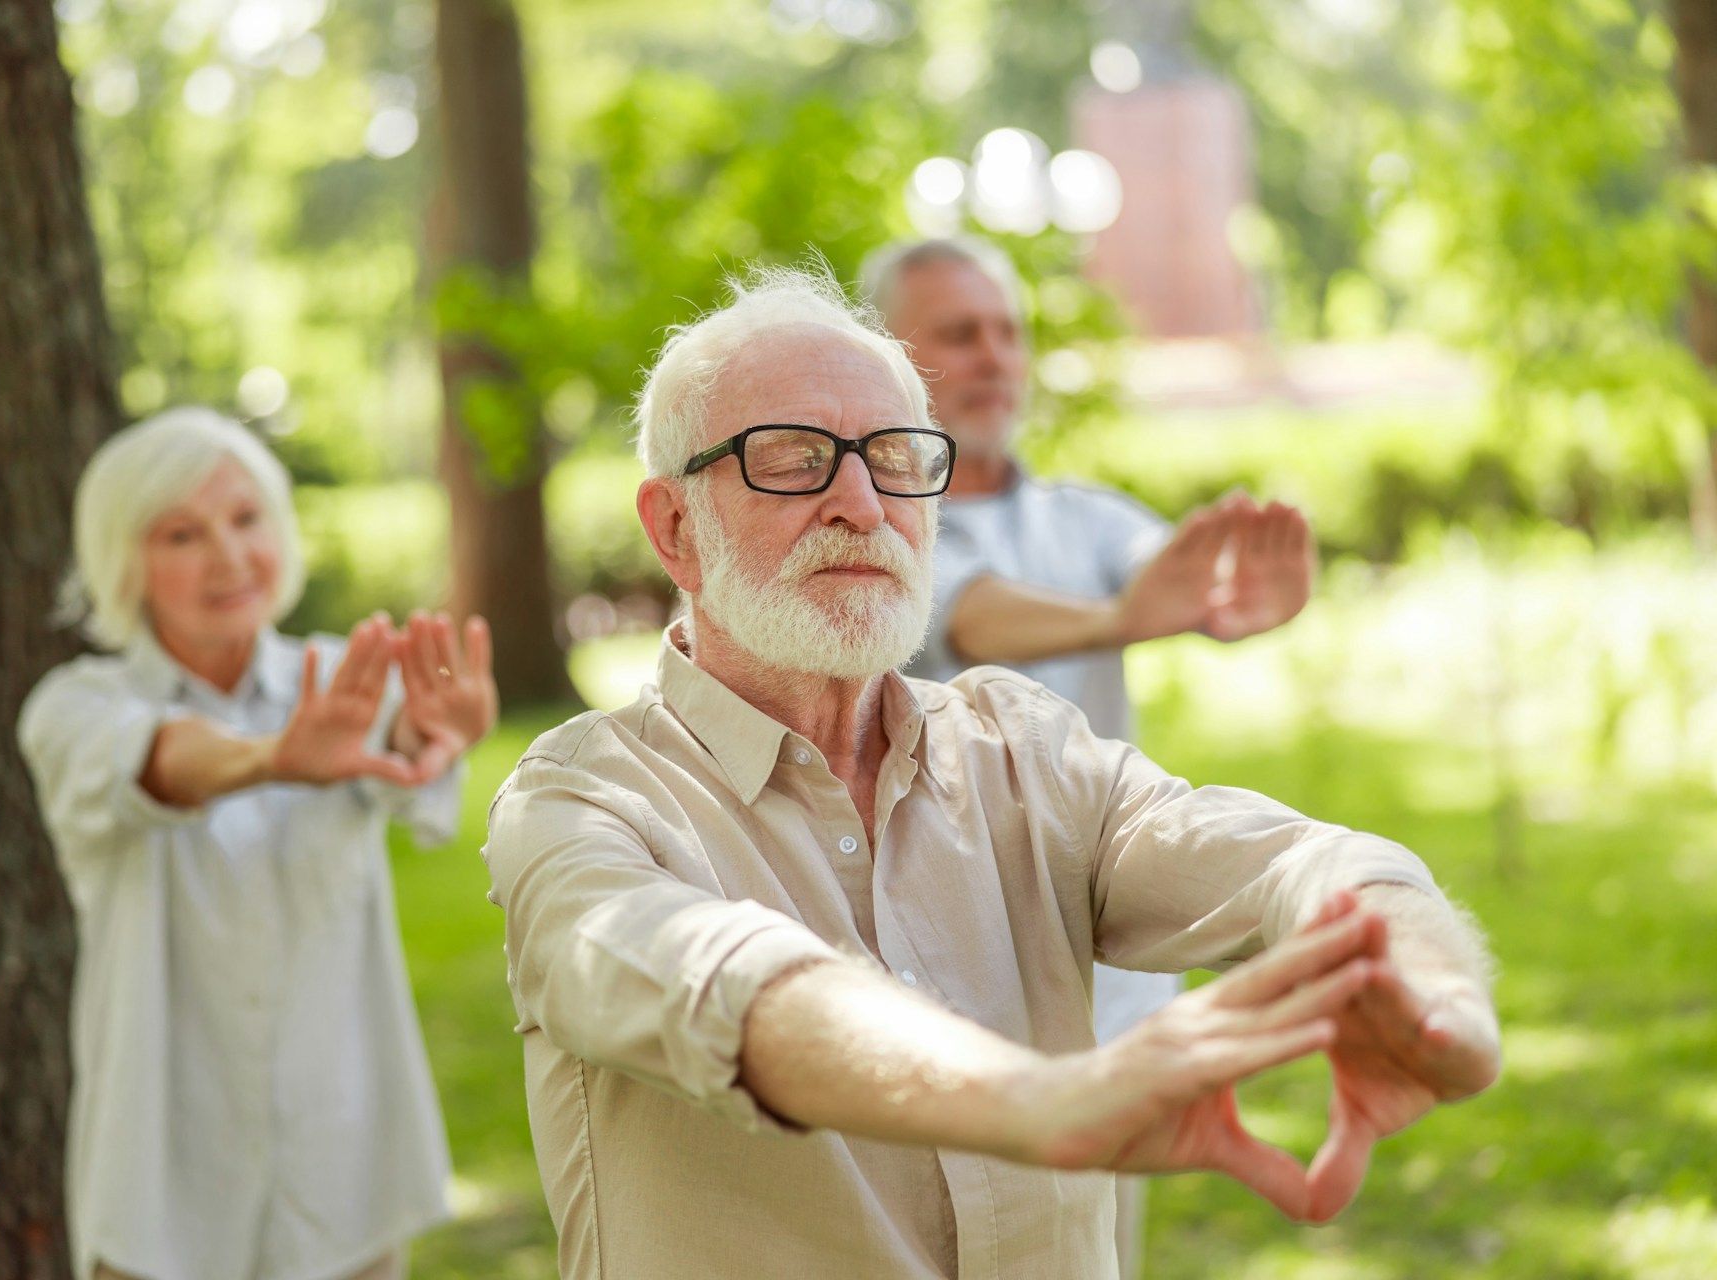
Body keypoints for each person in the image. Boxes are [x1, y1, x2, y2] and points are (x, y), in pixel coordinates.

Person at [480, 267, 1498, 1280]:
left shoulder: (1023, 749)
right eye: (791, 459)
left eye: (894, 458)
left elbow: (1297, 862)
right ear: (673, 528)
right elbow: (721, 983)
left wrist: (1427, 983)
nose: (860, 501)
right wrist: (1035, 1100)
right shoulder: (580, 798)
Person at [863, 235, 1319, 1276]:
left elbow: (1166, 572)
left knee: (1093, 1251)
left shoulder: (1087, 515)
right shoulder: (876, 524)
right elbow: (969, 617)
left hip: (1098, 980)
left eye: (1009, 332)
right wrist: (1118, 615)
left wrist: (1224, 593)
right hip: (928, 976)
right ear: (888, 355)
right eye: (960, 332)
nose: (994, 356)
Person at [18, 407, 499, 1280]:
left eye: (245, 520)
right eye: (181, 534)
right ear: (125, 559)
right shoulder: (74, 707)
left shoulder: (340, 681)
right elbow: (160, 761)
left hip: (345, 1183)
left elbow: (413, 775)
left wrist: (438, 737)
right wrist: (275, 758)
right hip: (164, 1196)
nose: (229, 557)